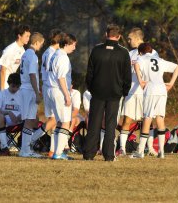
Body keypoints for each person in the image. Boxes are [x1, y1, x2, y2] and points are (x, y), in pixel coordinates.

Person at [83, 24, 132, 161]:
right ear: (119, 36)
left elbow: (90, 73)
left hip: (97, 92)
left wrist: (91, 88)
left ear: (106, 34)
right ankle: (109, 154)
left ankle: (88, 153)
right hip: (115, 94)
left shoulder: (97, 50)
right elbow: (127, 75)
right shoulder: (123, 52)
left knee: (94, 123)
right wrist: (124, 91)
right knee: (111, 125)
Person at [130, 42, 178, 159]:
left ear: (140, 52)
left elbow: (136, 65)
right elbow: (177, 67)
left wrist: (141, 80)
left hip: (151, 89)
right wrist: (171, 83)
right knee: (160, 119)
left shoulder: (141, 59)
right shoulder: (159, 59)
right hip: (162, 89)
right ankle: (161, 152)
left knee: (147, 118)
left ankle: (140, 151)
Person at [118, 27, 158, 156]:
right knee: (127, 120)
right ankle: (122, 148)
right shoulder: (130, 53)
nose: (128, 41)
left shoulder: (152, 52)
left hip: (146, 92)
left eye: (130, 38)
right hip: (131, 92)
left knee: (147, 121)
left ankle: (150, 148)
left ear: (137, 38)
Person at [30, 29, 62, 156]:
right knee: (56, 119)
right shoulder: (53, 53)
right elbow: (52, 72)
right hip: (52, 87)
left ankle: (52, 150)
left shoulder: (46, 53)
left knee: (53, 119)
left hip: (47, 86)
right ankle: (32, 138)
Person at [45, 33, 77, 160]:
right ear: (67, 44)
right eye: (73, 45)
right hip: (59, 92)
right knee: (65, 122)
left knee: (59, 122)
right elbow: (61, 77)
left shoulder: (55, 54)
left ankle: (56, 151)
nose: (74, 47)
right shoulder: (63, 57)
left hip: (52, 90)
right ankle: (58, 153)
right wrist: (67, 95)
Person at [18, 32, 45, 158]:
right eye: (41, 44)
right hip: (29, 90)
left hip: (24, 88)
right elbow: (32, 75)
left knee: (29, 119)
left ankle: (25, 149)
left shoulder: (24, 54)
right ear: (37, 42)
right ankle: (25, 150)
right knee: (29, 120)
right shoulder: (32, 56)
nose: (41, 46)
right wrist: (37, 92)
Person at [0, 25, 31, 95]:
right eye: (26, 36)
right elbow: (3, 70)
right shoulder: (10, 50)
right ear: (19, 36)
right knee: (0, 105)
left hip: (11, 81)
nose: (28, 38)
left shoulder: (22, 50)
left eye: (29, 36)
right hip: (2, 81)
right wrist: (2, 90)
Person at [0, 73, 23, 156]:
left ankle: (26, 146)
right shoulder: (1, 94)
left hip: (20, 120)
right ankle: (4, 147)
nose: (15, 89)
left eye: (17, 87)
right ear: (9, 83)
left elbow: (27, 110)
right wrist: (8, 112)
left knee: (32, 116)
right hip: (5, 121)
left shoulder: (22, 94)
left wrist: (21, 116)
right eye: (13, 86)